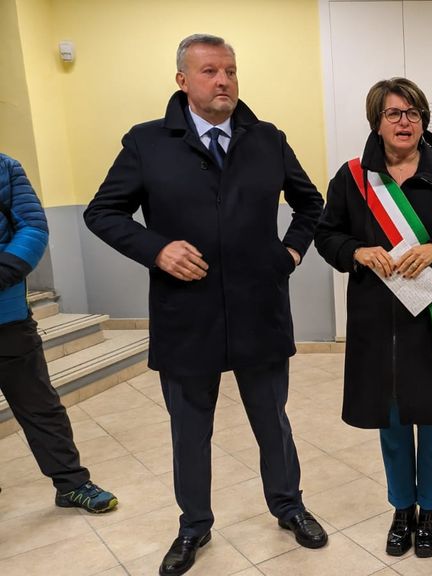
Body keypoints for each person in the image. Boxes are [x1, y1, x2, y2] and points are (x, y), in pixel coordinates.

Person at [84, 34, 326, 576]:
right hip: (186, 314)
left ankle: (288, 506)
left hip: (259, 307)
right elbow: (102, 212)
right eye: (210, 71)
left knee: (273, 420)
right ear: (182, 80)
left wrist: (288, 254)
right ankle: (194, 524)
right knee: (190, 430)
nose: (224, 81)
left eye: (231, 71)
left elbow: (311, 205)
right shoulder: (147, 142)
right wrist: (156, 249)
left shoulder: (267, 139)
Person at [315, 77, 432, 558]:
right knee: (390, 418)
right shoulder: (352, 178)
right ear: (377, 121)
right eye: (393, 113)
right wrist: (356, 251)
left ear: (423, 120)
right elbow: (327, 236)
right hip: (378, 321)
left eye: (413, 113)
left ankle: (430, 509)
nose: (405, 122)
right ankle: (401, 507)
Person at [0, 153, 118, 513]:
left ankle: (72, 484)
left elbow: (33, 228)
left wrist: (2, 273)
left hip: (8, 318)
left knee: (39, 405)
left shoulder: (6, 168)